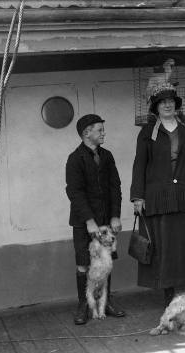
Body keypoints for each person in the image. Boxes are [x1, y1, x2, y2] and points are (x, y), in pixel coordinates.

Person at [130, 82, 185, 306]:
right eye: (162, 102)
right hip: (159, 198)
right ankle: (168, 292)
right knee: (164, 248)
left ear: (175, 105)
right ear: (155, 107)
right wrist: (138, 196)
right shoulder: (147, 133)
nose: (167, 105)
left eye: (170, 101)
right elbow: (140, 164)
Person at [66, 114, 126, 325]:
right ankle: (85, 305)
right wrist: (89, 221)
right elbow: (75, 192)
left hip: (106, 222)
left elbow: (114, 187)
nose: (103, 133)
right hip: (84, 224)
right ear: (86, 133)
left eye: (102, 129)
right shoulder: (75, 159)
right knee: (84, 265)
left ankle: (106, 302)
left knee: (106, 263)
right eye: (99, 130)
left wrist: (115, 215)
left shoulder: (107, 156)